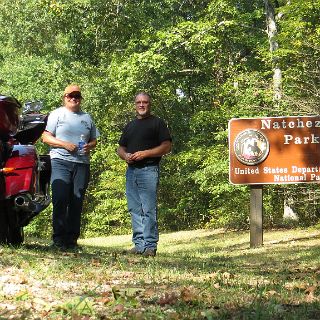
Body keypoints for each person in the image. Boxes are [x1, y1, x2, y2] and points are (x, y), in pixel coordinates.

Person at [42, 84, 99, 250]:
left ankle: (72, 240)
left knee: (77, 201)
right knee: (60, 198)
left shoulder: (87, 118)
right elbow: (45, 137)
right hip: (60, 161)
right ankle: (58, 239)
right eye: (70, 96)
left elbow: (94, 140)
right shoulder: (57, 114)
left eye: (77, 96)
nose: (74, 98)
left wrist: (89, 146)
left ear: (81, 99)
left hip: (82, 164)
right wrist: (64, 144)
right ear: (64, 97)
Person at [117, 92, 172, 257]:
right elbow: (120, 148)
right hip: (131, 171)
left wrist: (145, 154)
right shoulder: (130, 125)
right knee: (134, 209)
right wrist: (125, 155)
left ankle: (150, 246)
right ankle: (139, 245)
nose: (142, 105)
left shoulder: (157, 123)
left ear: (150, 104)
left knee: (148, 209)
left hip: (148, 170)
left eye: (145, 102)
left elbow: (167, 146)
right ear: (135, 105)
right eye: (139, 102)